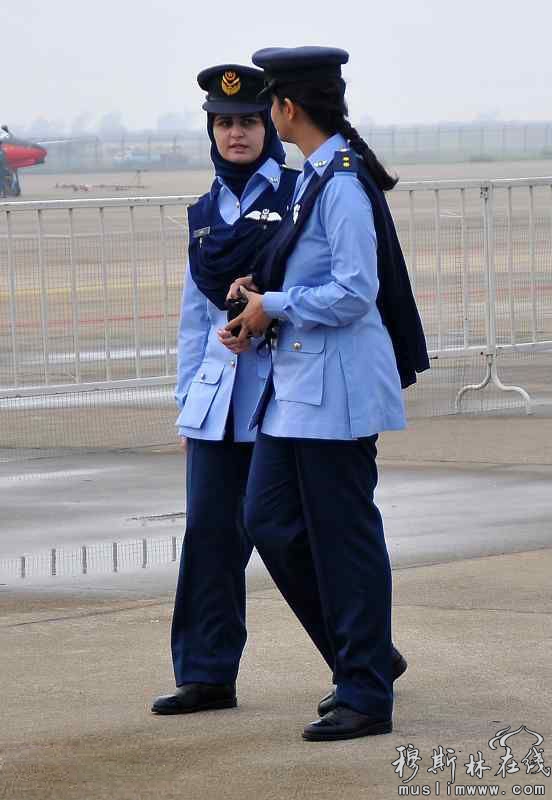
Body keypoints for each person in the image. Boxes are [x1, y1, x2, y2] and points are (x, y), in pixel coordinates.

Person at [221, 46, 429, 741]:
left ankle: (365, 691)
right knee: (269, 521)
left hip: (334, 395)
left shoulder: (338, 181)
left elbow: (352, 292)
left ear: (286, 107)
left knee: (345, 541)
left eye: (267, 104)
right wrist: (262, 295)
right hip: (298, 391)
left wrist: (274, 304)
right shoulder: (316, 174)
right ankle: (364, 652)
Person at [151, 64, 299, 715]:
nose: (236, 132)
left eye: (247, 121)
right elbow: (193, 324)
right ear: (211, 130)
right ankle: (206, 674)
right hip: (216, 404)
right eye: (224, 122)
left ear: (269, 125)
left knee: (296, 535)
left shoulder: (299, 195)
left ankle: (362, 658)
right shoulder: (205, 214)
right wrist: (188, 408)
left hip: (283, 394)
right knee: (209, 536)